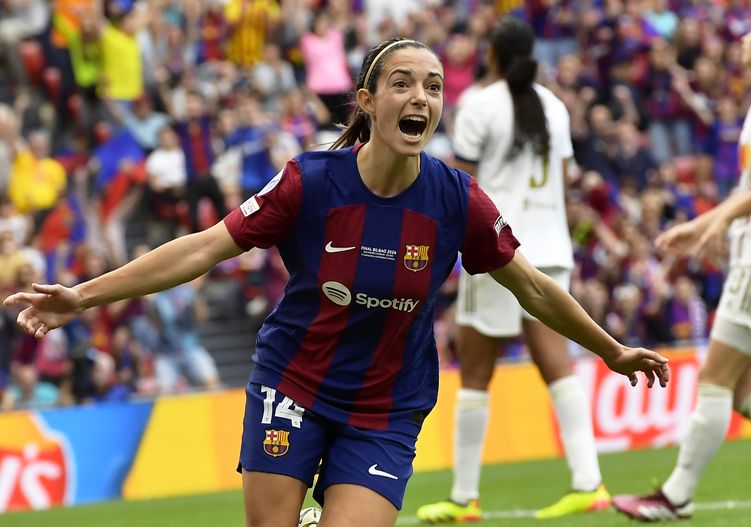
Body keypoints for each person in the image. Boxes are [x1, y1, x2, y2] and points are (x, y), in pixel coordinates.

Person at [5, 37, 669, 527]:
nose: (421, 97)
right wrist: (82, 295)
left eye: (434, 87)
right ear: (368, 102)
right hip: (293, 383)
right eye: (403, 84)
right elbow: (203, 248)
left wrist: (610, 350)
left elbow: (532, 287)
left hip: (386, 407)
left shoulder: (457, 199)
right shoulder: (310, 180)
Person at [416, 18, 610, 523]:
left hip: (498, 247)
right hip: (552, 247)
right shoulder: (555, 106)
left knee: (476, 372)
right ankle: (589, 482)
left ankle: (465, 497)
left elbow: (461, 183)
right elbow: (564, 177)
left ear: (492, 56)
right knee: (556, 362)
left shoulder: (480, 104)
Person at [613, 8, 751, 521]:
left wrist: (721, 219)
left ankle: (676, 496)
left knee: (714, 378)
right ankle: (677, 495)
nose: (746, 36)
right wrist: (708, 225)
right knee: (741, 389)